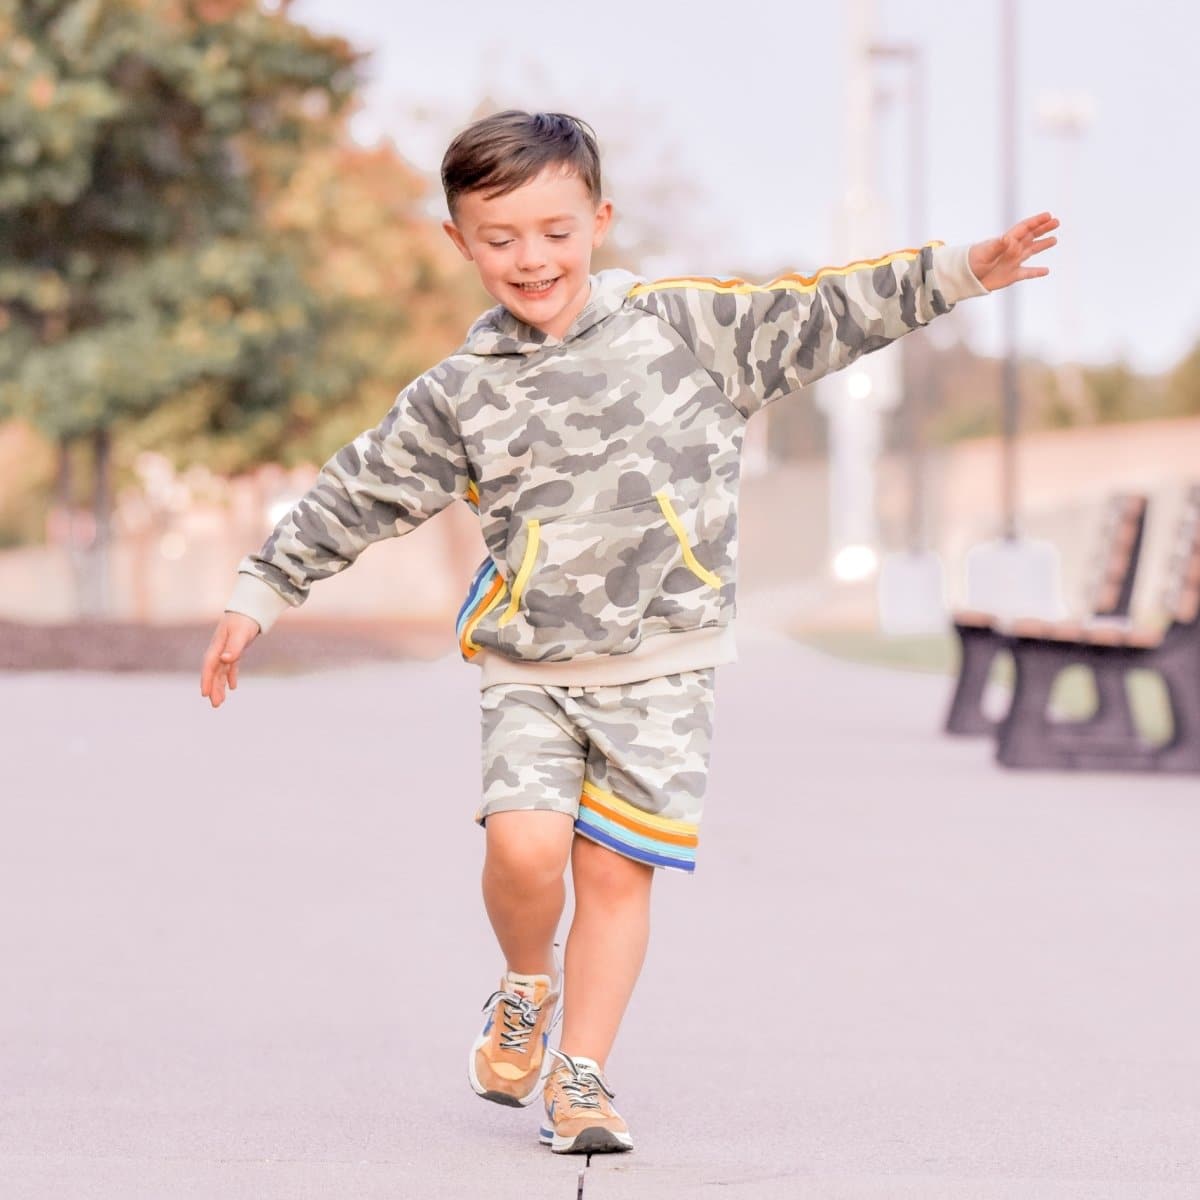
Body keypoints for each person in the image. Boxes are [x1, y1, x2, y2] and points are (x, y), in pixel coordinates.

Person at [200, 110, 1057, 1155]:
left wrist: (961, 271)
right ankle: (526, 981)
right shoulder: (459, 393)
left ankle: (583, 1079)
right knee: (526, 847)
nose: (532, 258)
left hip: (664, 663)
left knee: (613, 875)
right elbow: (362, 489)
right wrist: (262, 587)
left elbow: (824, 311)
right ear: (459, 241)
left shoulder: (687, 330)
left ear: (599, 221)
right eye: (501, 236)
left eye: (555, 231)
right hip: (530, 663)